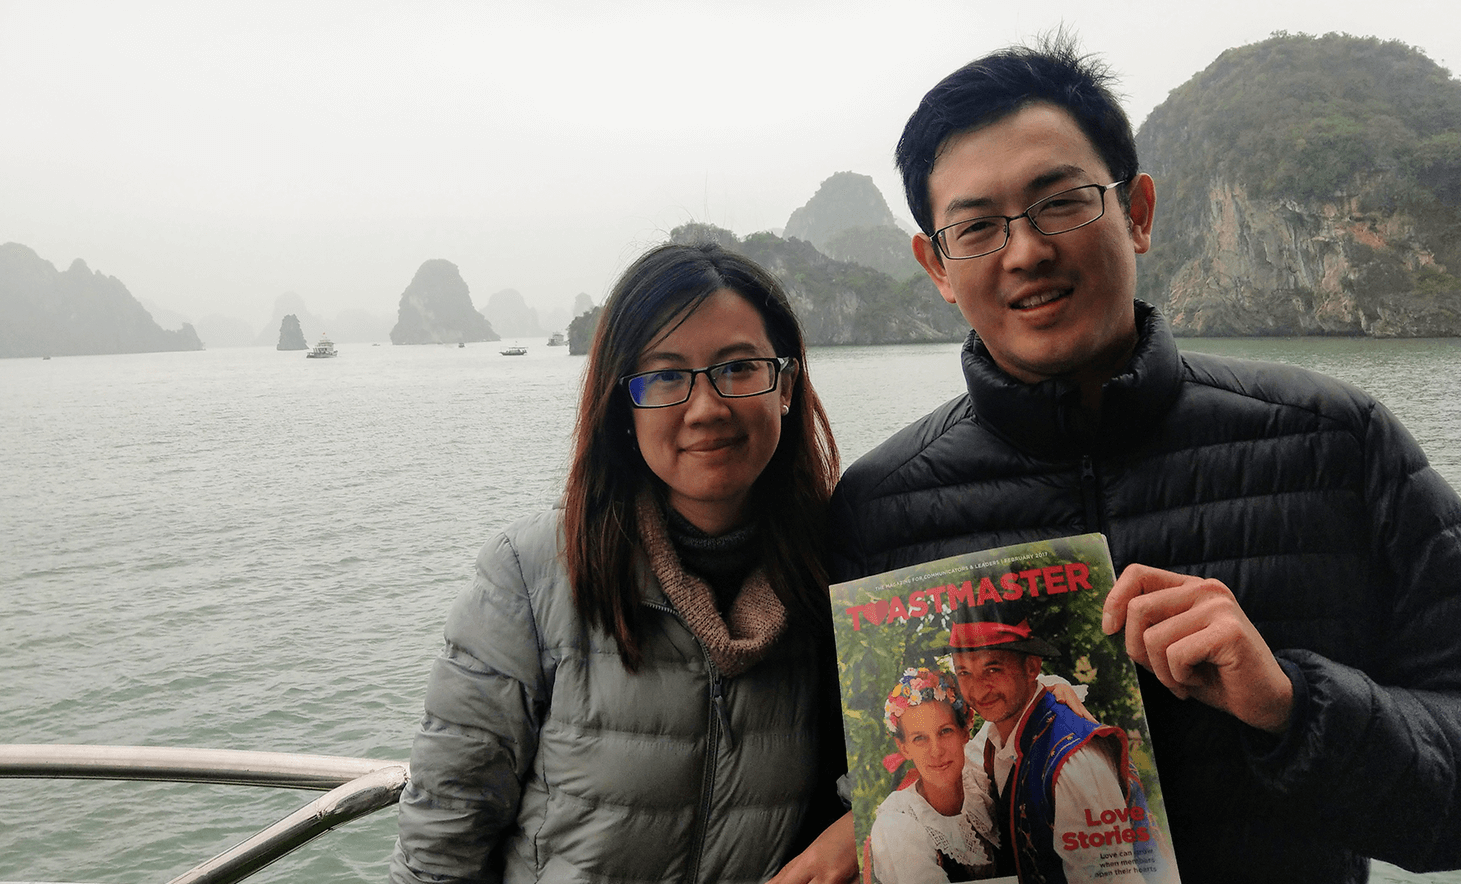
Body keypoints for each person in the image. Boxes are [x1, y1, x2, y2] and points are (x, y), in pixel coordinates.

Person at [828, 34, 1461, 884]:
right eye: (976, 228)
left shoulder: (1338, 444)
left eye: (1062, 203)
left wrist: (1289, 706)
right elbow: (839, 787)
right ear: (937, 267)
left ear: (1139, 213)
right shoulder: (877, 510)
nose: (1025, 252)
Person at [391, 241, 852, 883]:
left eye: (739, 367)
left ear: (787, 386)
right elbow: (443, 840)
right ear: (622, 407)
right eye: (664, 375)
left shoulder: (839, 571)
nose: (706, 408)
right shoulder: (532, 575)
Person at [947, 618, 1165, 884]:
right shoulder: (997, 736)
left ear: (1032, 667)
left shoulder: (1074, 764)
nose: (978, 690)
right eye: (964, 673)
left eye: (993, 669)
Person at [866, 663, 1002, 883]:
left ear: (965, 732)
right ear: (904, 747)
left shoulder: (977, 777)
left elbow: (1029, 689)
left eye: (945, 731)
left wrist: (1057, 694)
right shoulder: (897, 824)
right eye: (919, 738)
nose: (936, 751)